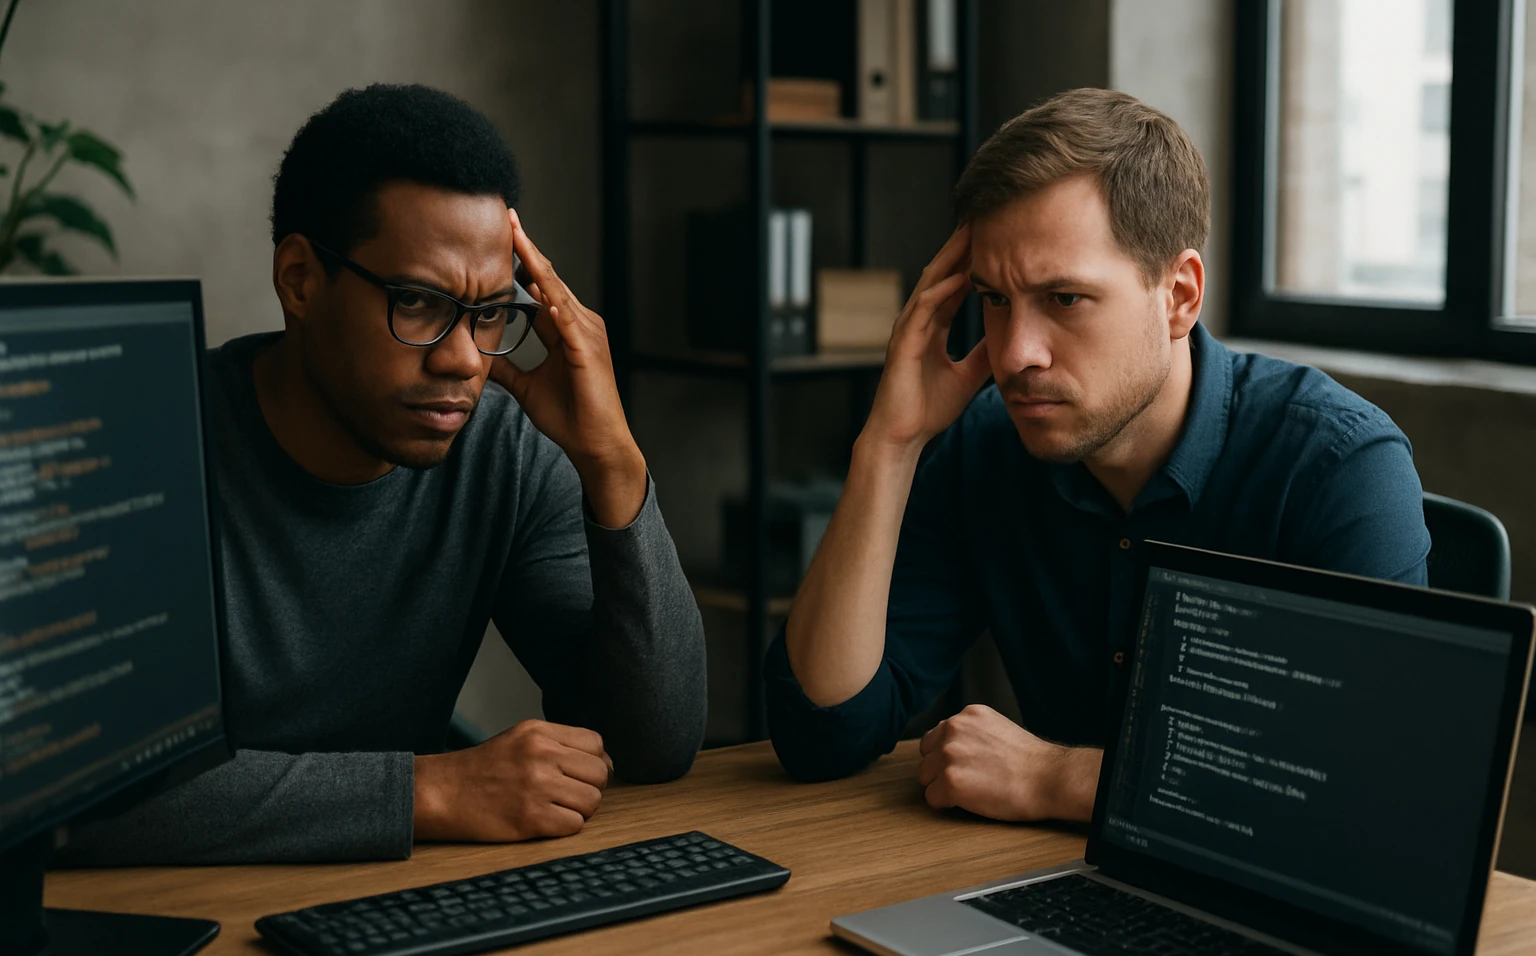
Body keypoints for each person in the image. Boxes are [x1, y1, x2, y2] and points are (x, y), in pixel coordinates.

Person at [67, 84, 706, 864]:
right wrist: (428, 792)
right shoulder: (143, 451)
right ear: (300, 279)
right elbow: (87, 796)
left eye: (489, 314)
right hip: (166, 912)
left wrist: (615, 463)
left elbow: (653, 743)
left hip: (393, 899)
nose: (463, 360)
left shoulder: (501, 451)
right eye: (419, 303)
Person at [764, 88, 1429, 823]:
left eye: (1064, 299)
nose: (1015, 354)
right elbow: (823, 733)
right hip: (1049, 876)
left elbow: (1375, 787)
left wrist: (1057, 779)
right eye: (995, 299)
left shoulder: (1338, 465)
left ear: (1179, 296)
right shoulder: (988, 447)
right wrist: (890, 445)